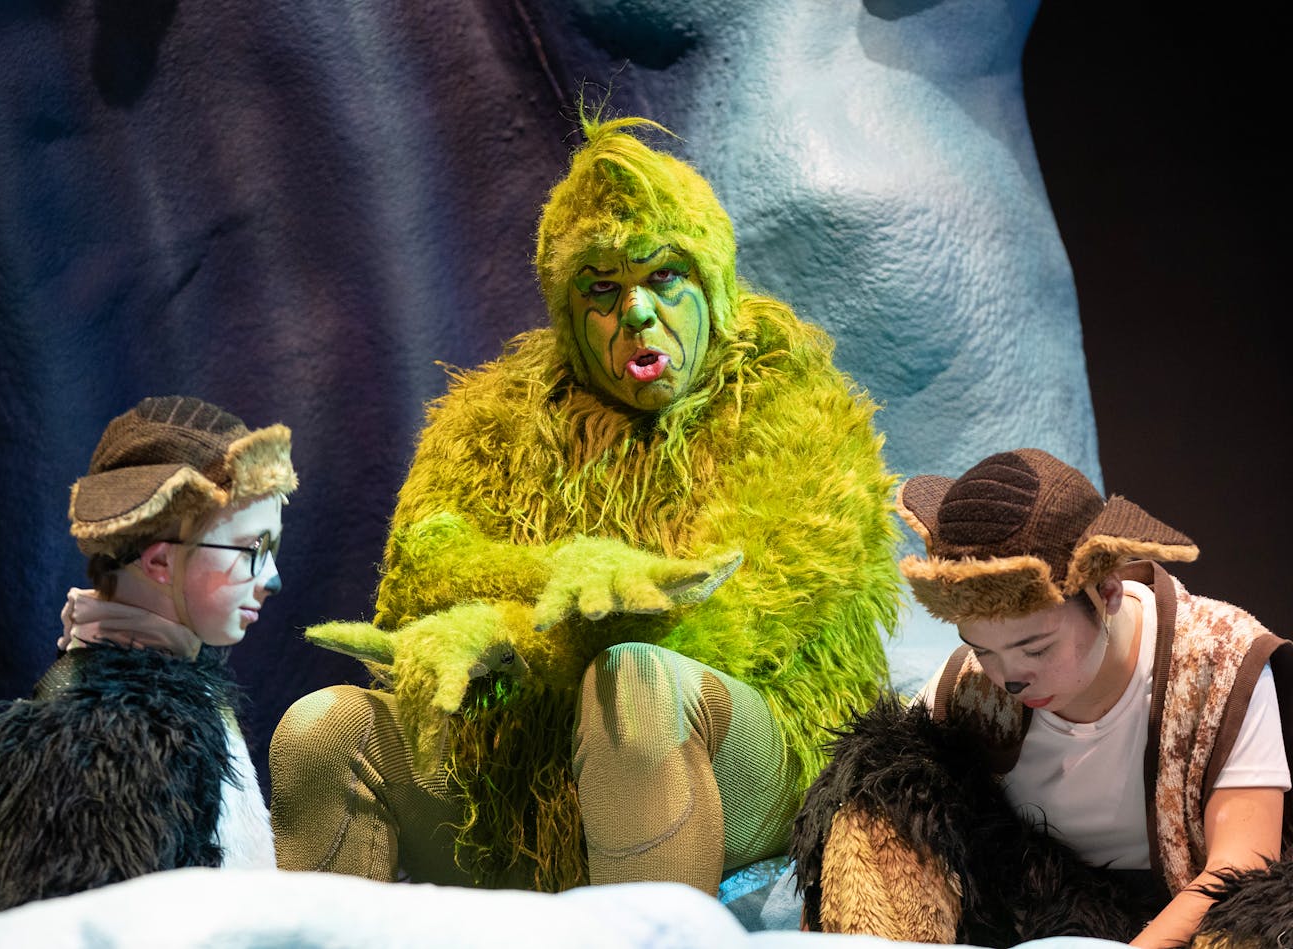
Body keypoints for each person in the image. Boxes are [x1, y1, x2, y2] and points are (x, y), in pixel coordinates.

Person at [268, 114, 902, 894]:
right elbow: (421, 567)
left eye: (663, 276)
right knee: (323, 729)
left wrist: (529, 640)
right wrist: (538, 589)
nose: (637, 311)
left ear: (712, 283)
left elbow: (732, 616)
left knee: (634, 682)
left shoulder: (791, 401)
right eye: (603, 288)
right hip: (519, 774)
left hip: (731, 751)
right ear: (571, 313)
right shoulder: (493, 418)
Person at [791, 448, 1291, 947]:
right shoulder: (971, 686)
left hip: (1188, 907)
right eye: (982, 647)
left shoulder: (1221, 659)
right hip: (1036, 903)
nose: (1008, 677)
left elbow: (1241, 863)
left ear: (1108, 593)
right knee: (874, 799)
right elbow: (864, 808)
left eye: (1036, 647)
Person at [0, 395, 298, 911]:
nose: (272, 578)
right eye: (254, 549)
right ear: (161, 562)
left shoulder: (182, 697)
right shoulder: (102, 733)